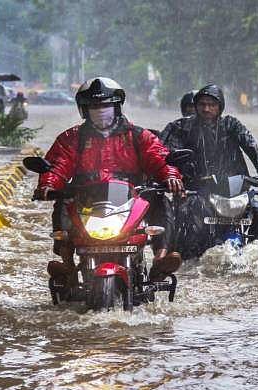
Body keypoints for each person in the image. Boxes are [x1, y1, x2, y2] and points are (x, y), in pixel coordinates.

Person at [35, 76, 184, 280]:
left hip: (131, 197)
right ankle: (67, 265)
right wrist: (49, 184)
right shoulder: (71, 138)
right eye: (94, 106)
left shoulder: (138, 135)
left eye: (105, 105)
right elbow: (58, 165)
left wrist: (170, 176)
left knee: (160, 201)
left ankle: (160, 259)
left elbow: (159, 158)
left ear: (117, 106)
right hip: (85, 199)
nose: (100, 110)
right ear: (85, 109)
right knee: (62, 203)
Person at [162, 84, 258, 258]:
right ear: (196, 106)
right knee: (188, 210)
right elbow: (162, 152)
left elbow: (251, 146)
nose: (207, 109)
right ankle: (182, 258)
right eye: (202, 104)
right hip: (196, 189)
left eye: (212, 104)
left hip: (234, 189)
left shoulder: (231, 125)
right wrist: (175, 174)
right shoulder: (181, 127)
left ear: (220, 107)